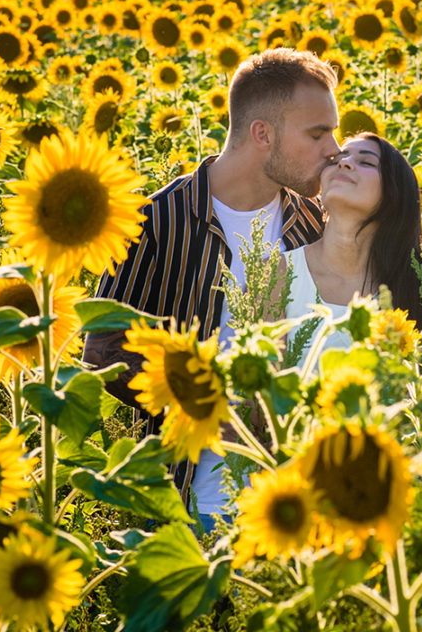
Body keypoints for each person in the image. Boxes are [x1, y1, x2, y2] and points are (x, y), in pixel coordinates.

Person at [82, 47, 341, 522]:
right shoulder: (157, 220)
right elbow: (102, 349)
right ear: (263, 134)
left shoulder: (314, 225)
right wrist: (208, 411)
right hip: (186, 491)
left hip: (296, 495)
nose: (333, 149)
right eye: (318, 132)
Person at [279, 131, 422, 399]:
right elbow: (257, 408)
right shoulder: (278, 274)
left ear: (395, 193)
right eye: (339, 157)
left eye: (367, 162)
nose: (344, 163)